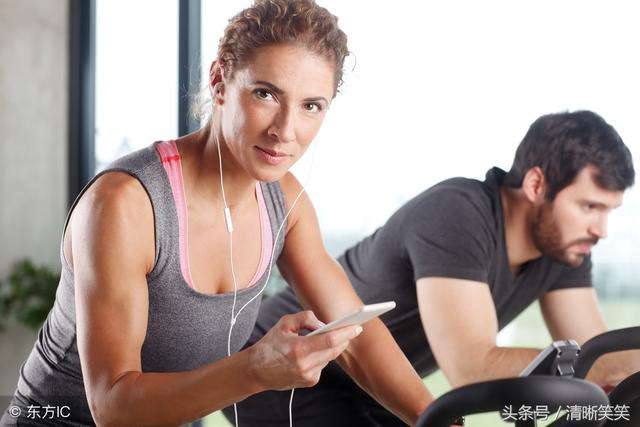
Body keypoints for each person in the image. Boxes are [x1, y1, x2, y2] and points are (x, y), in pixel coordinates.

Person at [0, 1, 435, 426]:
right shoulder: (124, 204)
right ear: (219, 81)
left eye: (311, 106)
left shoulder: (285, 202)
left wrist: (439, 419)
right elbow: (112, 408)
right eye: (266, 94)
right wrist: (255, 369)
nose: (285, 130)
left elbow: (355, 336)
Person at [229, 110, 640, 426]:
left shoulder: (565, 247)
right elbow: (473, 367)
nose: (600, 229)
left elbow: (605, 352)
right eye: (589, 206)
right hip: (287, 367)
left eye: (609, 211)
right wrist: (603, 366)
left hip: (374, 383)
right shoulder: (459, 213)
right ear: (536, 185)